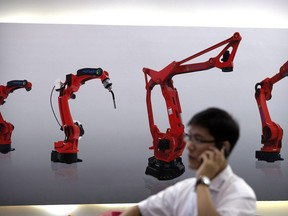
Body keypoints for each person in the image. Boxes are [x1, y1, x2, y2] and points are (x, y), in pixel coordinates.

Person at [120, 107, 257, 216]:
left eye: (198, 139)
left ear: (222, 147)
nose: (189, 146)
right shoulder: (182, 189)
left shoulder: (241, 195)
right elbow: (140, 210)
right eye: (189, 137)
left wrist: (203, 180)